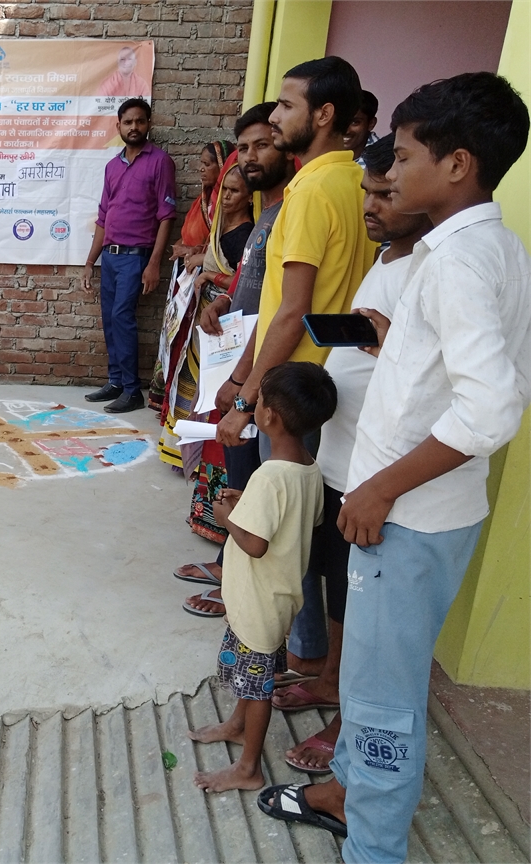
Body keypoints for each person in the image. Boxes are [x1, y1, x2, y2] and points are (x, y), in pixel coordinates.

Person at [259, 72, 531, 862]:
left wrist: (379, 487)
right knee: (377, 679)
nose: (391, 170)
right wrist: (391, 341)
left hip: (406, 520)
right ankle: (346, 789)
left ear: (457, 165)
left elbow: (492, 409)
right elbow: (459, 374)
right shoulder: (486, 248)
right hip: (430, 514)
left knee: (382, 698)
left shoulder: (457, 262)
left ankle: (371, 842)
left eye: (405, 156)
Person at [216, 56, 376, 677]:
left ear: (324, 114)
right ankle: (312, 660)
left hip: (295, 390)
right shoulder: (357, 181)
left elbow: (290, 312)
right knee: (312, 533)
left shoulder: (308, 192)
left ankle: (297, 659)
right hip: (335, 386)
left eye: (287, 105)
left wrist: (244, 399)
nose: (277, 115)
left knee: (285, 537)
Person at [278, 134, 431, 774]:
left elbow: (450, 388)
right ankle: (331, 681)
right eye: (369, 192)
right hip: (342, 458)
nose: (370, 205)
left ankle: (351, 717)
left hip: (380, 475)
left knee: (369, 607)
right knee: (337, 584)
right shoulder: (388, 257)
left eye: (385, 193)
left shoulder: (434, 268)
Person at [187, 361, 337, 793]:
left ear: (268, 415)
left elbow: (255, 543)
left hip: (259, 600)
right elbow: (301, 518)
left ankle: (248, 768)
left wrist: (226, 517)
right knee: (252, 675)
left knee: (257, 688)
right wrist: (247, 500)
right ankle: (237, 726)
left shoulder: (271, 476)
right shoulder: (308, 466)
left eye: (259, 401)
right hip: (275, 596)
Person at [173, 102, 296, 616]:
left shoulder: (293, 208)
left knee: (254, 484)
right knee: (239, 474)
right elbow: (256, 284)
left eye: (262, 144)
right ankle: (228, 565)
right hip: (240, 360)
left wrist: (244, 387)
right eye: (243, 147)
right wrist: (225, 298)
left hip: (261, 374)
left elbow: (287, 309)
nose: (249, 157)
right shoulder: (270, 211)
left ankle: (240, 591)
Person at [157, 156, 254, 487]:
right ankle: (182, 449)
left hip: (223, 324)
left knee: (209, 392)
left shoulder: (246, 235)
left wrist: (209, 276)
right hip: (204, 317)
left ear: (250, 197)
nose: (226, 197)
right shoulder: (223, 230)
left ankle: (202, 458)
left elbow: (243, 281)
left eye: (235, 191)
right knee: (190, 384)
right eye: (224, 189)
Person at [81, 97, 177, 414]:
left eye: (140, 121)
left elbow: (166, 216)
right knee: (110, 319)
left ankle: (133, 390)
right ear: (118, 126)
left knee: (123, 318)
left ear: (148, 124)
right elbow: (103, 218)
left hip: (136, 257)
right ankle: (116, 382)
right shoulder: (112, 166)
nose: (134, 127)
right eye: (128, 122)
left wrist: (154, 263)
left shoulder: (160, 161)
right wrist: (90, 262)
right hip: (110, 257)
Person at [148, 140, 234, 410]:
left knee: (191, 348)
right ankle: (167, 400)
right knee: (173, 341)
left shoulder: (223, 207)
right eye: (201, 164)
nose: (201, 169)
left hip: (204, 284)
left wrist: (194, 254)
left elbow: (217, 249)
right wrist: (184, 249)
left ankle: (189, 409)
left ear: (223, 167)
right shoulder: (203, 201)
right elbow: (194, 237)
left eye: (208, 164)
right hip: (186, 277)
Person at [344, 89, 379, 165]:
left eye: (355, 122)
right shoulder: (324, 148)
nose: (346, 130)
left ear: (371, 124)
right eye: (340, 121)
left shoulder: (382, 158)